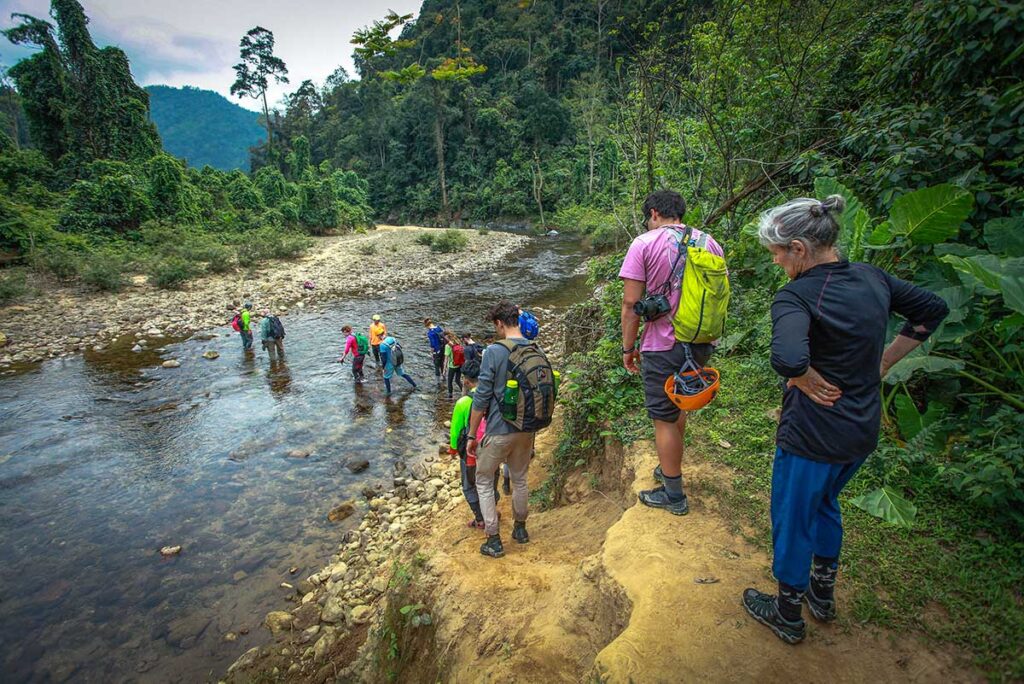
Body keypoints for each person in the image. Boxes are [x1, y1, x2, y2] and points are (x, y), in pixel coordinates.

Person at [741, 195, 949, 644]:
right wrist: (886, 361)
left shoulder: (796, 294)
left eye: (777, 252)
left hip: (812, 433)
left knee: (794, 516)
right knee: (825, 505)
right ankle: (822, 593)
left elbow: (788, 356)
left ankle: (788, 612)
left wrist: (804, 378)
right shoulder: (873, 277)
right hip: (860, 428)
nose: (775, 261)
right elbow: (932, 309)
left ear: (798, 248)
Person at [619, 190, 726, 515]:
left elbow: (630, 305)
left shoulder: (644, 243)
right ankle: (669, 468)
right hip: (701, 341)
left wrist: (628, 347)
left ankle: (674, 495)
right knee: (677, 403)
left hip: (662, 344)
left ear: (654, 213)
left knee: (662, 419)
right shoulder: (710, 242)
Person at [467, 300, 552, 558]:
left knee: (482, 480)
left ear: (499, 323)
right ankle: (521, 529)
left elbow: (481, 398)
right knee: (520, 478)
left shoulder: (494, 351)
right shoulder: (535, 348)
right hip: (527, 429)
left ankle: (493, 539)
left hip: (498, 429)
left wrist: (472, 435)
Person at [449, 359, 488, 528]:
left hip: (472, 449)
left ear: (465, 380)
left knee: (469, 485)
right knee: (490, 480)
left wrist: (453, 449)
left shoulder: (463, 402)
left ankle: (481, 518)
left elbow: (455, 430)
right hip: (492, 445)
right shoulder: (491, 394)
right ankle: (491, 511)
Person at [444, 331, 465, 399]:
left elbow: (446, 359)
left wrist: (444, 370)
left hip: (452, 366)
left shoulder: (447, 346)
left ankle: (450, 395)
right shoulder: (458, 343)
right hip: (459, 365)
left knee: (449, 381)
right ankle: (464, 392)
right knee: (457, 380)